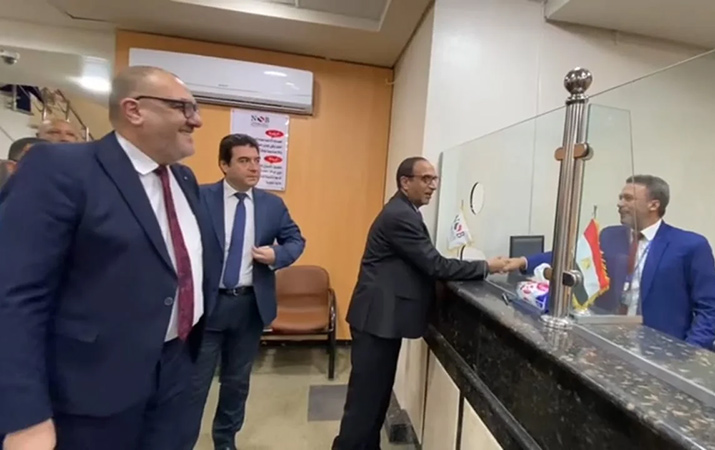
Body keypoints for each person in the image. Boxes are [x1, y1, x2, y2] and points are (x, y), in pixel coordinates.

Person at [0, 66, 223, 450]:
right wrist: (24, 415)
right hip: (92, 392)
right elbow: (16, 295)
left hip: (176, 373)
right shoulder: (60, 169)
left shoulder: (184, 180)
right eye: (182, 107)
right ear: (134, 110)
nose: (196, 120)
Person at [333, 156, 508, 449]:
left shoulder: (405, 211)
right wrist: (486, 266)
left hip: (381, 320)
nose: (433, 186)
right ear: (405, 182)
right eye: (426, 179)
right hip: (376, 320)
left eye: (434, 179)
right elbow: (435, 265)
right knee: (365, 402)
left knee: (375, 399)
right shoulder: (400, 216)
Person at [504, 175, 715, 349]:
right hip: (609, 345)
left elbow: (709, 308)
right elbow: (571, 256)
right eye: (620, 197)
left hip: (659, 355)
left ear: (653, 204)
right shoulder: (611, 235)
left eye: (628, 198)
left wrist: (689, 352)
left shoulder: (689, 246)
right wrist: (522, 261)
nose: (620, 204)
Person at [186, 133, 306, 450]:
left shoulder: (271, 205)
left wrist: (277, 255)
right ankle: (181, 441)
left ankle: (225, 441)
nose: (254, 168)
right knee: (195, 383)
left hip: (249, 306)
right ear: (224, 165)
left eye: (257, 161)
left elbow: (296, 240)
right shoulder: (200, 197)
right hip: (208, 306)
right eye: (244, 161)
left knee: (236, 383)